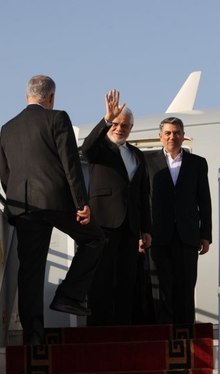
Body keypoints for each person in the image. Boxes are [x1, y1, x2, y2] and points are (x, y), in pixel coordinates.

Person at [0, 75, 105, 344]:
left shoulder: (7, 128)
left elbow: (5, 173)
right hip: (54, 201)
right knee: (94, 239)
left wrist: (16, 203)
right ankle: (68, 295)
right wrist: (81, 203)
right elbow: (71, 164)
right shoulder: (57, 118)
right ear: (51, 97)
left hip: (23, 206)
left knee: (30, 270)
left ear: (27, 96)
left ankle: (33, 337)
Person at [81, 90, 152, 326]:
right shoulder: (99, 149)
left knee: (126, 278)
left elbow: (142, 194)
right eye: (116, 124)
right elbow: (86, 148)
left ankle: (124, 327)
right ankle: (99, 328)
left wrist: (146, 228)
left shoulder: (137, 155)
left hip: (130, 226)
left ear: (131, 128)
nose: (120, 128)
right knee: (101, 277)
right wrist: (106, 119)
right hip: (104, 223)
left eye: (125, 125)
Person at [146, 117, 212, 324]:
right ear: (160, 136)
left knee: (186, 288)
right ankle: (164, 334)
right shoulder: (147, 161)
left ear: (183, 136)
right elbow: (142, 199)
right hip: (158, 237)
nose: (172, 137)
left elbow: (204, 201)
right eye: (167, 133)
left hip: (188, 237)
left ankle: (186, 335)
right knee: (162, 290)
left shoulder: (197, 163)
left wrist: (206, 235)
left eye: (176, 133)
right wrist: (143, 231)